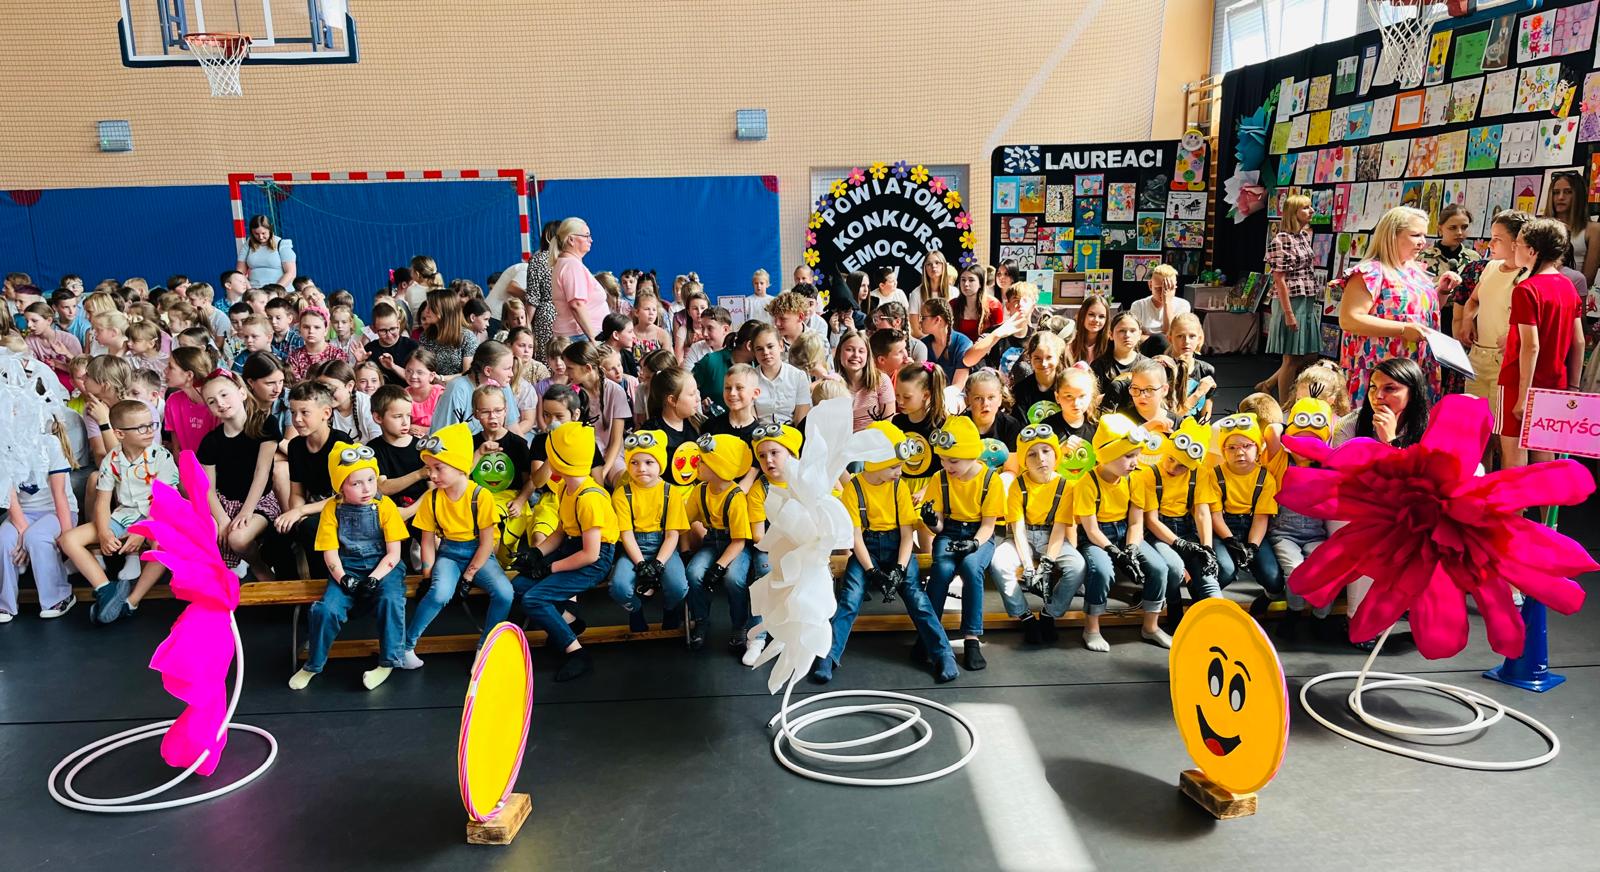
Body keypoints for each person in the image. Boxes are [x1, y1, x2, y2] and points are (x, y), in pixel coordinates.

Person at [815, 420, 959, 684]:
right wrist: (872, 572)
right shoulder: (854, 489)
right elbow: (855, 537)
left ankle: (943, 654)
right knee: (850, 598)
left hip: (897, 549)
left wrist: (900, 569)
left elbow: (906, 535)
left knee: (917, 598)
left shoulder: (899, 487)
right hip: (866, 550)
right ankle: (828, 656)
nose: (899, 471)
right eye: (894, 466)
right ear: (876, 461)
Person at [289, 442, 410, 691]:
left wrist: (375, 578)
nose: (367, 488)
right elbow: (330, 553)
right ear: (341, 486)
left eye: (370, 480)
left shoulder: (385, 506)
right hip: (347, 567)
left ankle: (388, 661)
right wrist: (343, 578)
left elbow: (394, 553)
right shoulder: (332, 509)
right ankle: (313, 664)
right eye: (356, 483)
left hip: (384, 566)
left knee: (391, 601)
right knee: (327, 610)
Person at [401, 422, 513, 667]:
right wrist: (427, 575)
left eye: (438, 468)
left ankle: (486, 647)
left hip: (479, 554)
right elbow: (427, 542)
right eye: (429, 468)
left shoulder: (480, 496)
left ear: (460, 465)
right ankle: (406, 646)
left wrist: (469, 576)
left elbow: (486, 544)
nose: (432, 475)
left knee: (505, 593)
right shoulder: (431, 498)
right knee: (439, 593)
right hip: (449, 554)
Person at [58, 400, 179, 623]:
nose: (150, 431)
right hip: (124, 516)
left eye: (151, 425)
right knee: (68, 540)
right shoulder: (112, 459)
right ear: (120, 434)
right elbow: (102, 502)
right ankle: (105, 589)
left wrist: (143, 531)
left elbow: (165, 501)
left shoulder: (161, 456)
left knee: (162, 546)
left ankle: (130, 602)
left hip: (156, 516)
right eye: (141, 427)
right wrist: (104, 532)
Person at [515, 421, 619, 681]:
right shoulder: (565, 488)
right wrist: (537, 553)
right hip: (572, 547)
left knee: (534, 599)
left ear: (563, 459)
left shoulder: (590, 498)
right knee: (519, 585)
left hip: (595, 560)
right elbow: (561, 530)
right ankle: (569, 622)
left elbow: (591, 554)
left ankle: (576, 653)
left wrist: (550, 567)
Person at [1337, 205, 1451, 407]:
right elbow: (1350, 319)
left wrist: (1442, 292)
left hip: (1415, 370)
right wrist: (1403, 330)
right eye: (1415, 235)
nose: (1423, 242)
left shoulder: (1417, 272)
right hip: (1381, 373)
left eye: (1424, 235)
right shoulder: (1371, 272)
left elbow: (1423, 316)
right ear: (1392, 236)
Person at [1075, 414, 1170, 652]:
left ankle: (1151, 626)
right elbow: (1091, 529)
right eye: (1128, 456)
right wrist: (1115, 553)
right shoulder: (1087, 483)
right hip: (1097, 538)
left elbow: (1136, 523)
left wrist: (1132, 549)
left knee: (1159, 568)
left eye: (1136, 455)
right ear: (1107, 455)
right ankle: (1092, 628)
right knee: (1102, 570)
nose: (1135, 462)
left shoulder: (1135, 479)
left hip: (1126, 533)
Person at [986, 425, 1089, 646]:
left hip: (1051, 538)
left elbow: (1060, 528)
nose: (1041, 458)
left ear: (1056, 454)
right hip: (1021, 538)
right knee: (999, 563)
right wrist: (1029, 567)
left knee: (1077, 565)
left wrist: (1048, 561)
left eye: (1046, 451)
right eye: (1032, 454)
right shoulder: (1018, 486)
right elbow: (1018, 529)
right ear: (1023, 460)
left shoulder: (1066, 486)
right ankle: (1024, 615)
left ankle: (1050, 613)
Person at [1498, 217, 1586, 469]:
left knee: (1514, 456)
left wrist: (1523, 397)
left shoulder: (1526, 289)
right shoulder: (1568, 286)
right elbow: (1579, 340)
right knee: (1545, 456)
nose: (1515, 248)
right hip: (1556, 381)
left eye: (1518, 243)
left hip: (1519, 381)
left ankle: (1515, 500)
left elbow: (1531, 345)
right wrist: (1573, 387)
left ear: (1532, 250)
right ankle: (1546, 499)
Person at [922, 415, 1005, 671]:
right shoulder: (940, 479)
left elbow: (989, 525)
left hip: (979, 534)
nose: (946, 465)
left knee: (971, 567)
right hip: (950, 531)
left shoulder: (991, 480)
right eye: (943, 459)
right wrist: (931, 521)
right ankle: (930, 634)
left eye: (953, 460)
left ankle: (971, 639)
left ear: (971, 455)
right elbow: (939, 528)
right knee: (941, 569)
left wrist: (974, 544)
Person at [609, 431, 690, 634]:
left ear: (660, 464)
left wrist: (658, 564)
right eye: (634, 463)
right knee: (618, 587)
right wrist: (641, 565)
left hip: (664, 548)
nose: (641, 468)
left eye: (649, 462)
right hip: (633, 549)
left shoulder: (671, 492)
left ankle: (670, 609)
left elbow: (672, 535)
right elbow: (626, 534)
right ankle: (635, 610)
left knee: (679, 587)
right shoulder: (621, 494)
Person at [1456, 210, 1530, 425]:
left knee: (1499, 426)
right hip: (1478, 356)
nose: (1490, 244)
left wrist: (1514, 337)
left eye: (1497, 239)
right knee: (1473, 424)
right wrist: (1467, 320)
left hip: (1504, 360)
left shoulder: (1529, 274)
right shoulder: (1491, 266)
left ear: (1517, 243)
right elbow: (1473, 300)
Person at [683, 433, 755, 652]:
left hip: (735, 546)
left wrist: (719, 566)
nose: (697, 464)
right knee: (693, 573)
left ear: (719, 468)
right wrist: (685, 549)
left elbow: (739, 541)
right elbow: (683, 521)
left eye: (702, 461)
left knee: (734, 579)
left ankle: (740, 625)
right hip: (711, 542)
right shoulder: (700, 490)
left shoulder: (736, 498)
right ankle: (701, 620)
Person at [1206, 412, 1284, 612]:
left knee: (1273, 578)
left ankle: (1268, 596)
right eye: (1231, 448)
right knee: (1225, 570)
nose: (1239, 453)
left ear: (1258, 448)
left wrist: (1252, 547)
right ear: (1223, 451)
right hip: (1223, 529)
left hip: (1252, 528)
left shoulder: (1266, 478)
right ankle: (1205, 600)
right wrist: (1230, 541)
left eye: (1246, 446)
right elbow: (1215, 515)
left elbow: (1260, 517)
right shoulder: (1214, 475)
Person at [1257, 195, 1321, 401]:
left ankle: (1267, 384)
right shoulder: (1282, 240)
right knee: (1290, 358)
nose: (1311, 211)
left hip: (1305, 299)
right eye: (1305, 207)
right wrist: (1288, 313)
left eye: (1310, 207)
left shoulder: (1302, 236)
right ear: (1293, 212)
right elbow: (1279, 279)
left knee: (1308, 355)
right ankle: (1284, 406)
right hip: (1291, 301)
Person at [550, 218, 607, 342]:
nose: (590, 240)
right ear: (571, 240)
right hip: (580, 336)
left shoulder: (567, 263)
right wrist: (593, 338)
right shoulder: (572, 265)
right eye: (586, 236)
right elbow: (576, 304)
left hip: (579, 335)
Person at [1541, 169, 1600, 285]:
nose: (1560, 197)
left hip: (1574, 291)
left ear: (1579, 196)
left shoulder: (1593, 230)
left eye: (1568, 192)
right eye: (1556, 192)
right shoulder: (1541, 227)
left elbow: (1587, 280)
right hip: (1540, 290)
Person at [749, 322, 811, 424]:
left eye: (770, 346)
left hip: (792, 431)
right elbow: (750, 420)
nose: (765, 352)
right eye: (759, 349)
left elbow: (801, 419)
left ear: (781, 345)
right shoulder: (749, 379)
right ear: (754, 352)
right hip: (759, 432)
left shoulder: (798, 376)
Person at [833, 329, 893, 430]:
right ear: (839, 353)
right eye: (849, 349)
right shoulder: (833, 384)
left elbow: (888, 424)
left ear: (867, 356)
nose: (856, 355)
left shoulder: (881, 380)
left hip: (876, 437)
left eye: (861, 351)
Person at [1128, 264, 1191, 356]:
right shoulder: (1138, 305)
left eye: (1169, 288)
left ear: (1175, 286)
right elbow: (1134, 336)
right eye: (1159, 289)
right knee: (1160, 339)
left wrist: (1167, 303)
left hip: (1172, 352)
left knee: (1162, 340)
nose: (1163, 293)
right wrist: (1157, 339)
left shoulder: (1183, 305)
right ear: (1150, 285)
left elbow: (1170, 333)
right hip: (1146, 352)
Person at [1164, 313, 1216, 422]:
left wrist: (1203, 427)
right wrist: (1198, 393)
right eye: (1180, 336)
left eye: (1192, 336)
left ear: (1199, 339)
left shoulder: (1206, 369)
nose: (1186, 341)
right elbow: (1169, 418)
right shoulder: (1162, 369)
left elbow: (1206, 415)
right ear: (1169, 338)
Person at [1091, 312, 1146, 412]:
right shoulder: (1099, 365)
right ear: (1111, 334)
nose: (1127, 335)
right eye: (1122, 331)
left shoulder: (1147, 365)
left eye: (1132, 331)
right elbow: (1092, 401)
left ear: (1139, 334)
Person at [919, 296, 972, 386]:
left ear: (937, 320)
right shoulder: (922, 344)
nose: (919, 321)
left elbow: (958, 385)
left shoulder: (962, 344)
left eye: (923, 318)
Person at [238, 214, 297, 289]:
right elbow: (240, 272)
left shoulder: (282, 244)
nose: (260, 237)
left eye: (263, 233)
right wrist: (250, 289)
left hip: (279, 290)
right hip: (255, 291)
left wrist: (275, 290)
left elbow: (291, 273)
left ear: (270, 229)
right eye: (256, 234)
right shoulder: (248, 244)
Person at [951, 265, 1002, 342]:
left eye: (971, 280)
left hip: (985, 348)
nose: (966, 284)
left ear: (980, 284)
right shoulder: (952, 304)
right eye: (963, 280)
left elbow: (998, 337)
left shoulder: (994, 306)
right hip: (958, 348)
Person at [1068, 295, 1111, 366]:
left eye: (1101, 316)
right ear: (1082, 315)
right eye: (1091, 314)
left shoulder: (1110, 343)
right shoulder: (1070, 342)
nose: (1096, 320)